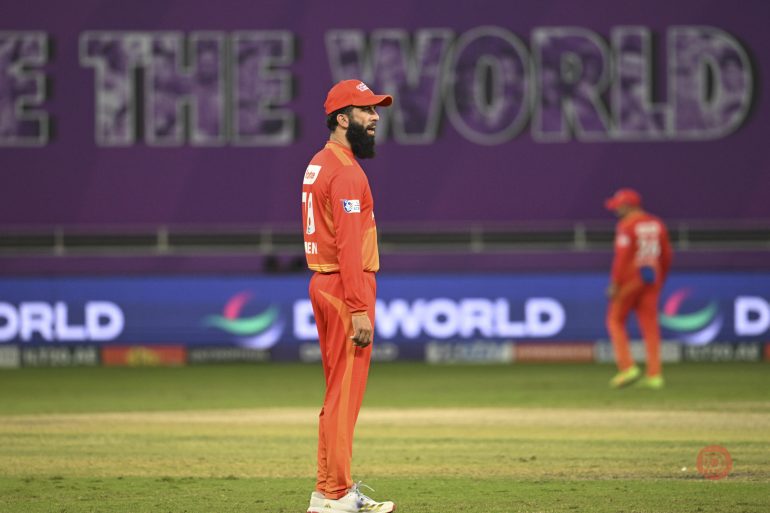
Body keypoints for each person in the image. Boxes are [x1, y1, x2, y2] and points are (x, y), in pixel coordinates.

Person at [302, 79, 395, 513]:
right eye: (366, 110)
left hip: (326, 284)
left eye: (375, 110)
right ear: (343, 119)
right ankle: (337, 494)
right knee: (344, 396)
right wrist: (359, 307)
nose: (375, 118)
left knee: (336, 395)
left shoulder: (319, 163)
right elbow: (348, 244)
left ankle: (327, 492)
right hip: (345, 287)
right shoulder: (346, 172)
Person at [604, 188, 673, 389]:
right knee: (650, 327)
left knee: (615, 320)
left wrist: (615, 283)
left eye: (618, 206)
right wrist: (661, 279)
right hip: (652, 278)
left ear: (628, 206)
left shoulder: (627, 225)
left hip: (630, 279)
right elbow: (667, 255)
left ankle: (627, 367)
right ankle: (655, 375)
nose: (616, 210)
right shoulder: (657, 224)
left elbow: (622, 257)